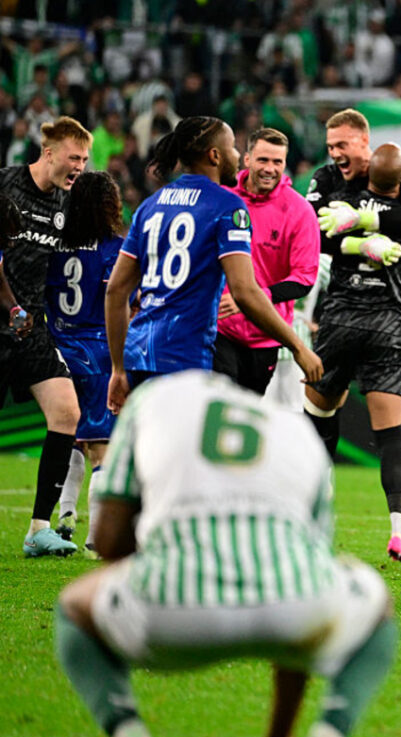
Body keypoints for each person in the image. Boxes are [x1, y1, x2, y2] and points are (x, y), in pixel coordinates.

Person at [55, 370, 396, 737]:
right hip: (295, 610)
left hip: (170, 616)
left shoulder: (150, 402)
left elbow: (108, 542)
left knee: (73, 606)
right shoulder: (295, 429)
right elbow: (311, 565)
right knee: (376, 605)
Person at [104, 116, 322, 415]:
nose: (236, 156)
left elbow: (116, 290)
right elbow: (244, 291)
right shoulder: (227, 206)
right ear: (215, 155)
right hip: (188, 354)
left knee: (153, 454)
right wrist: (298, 347)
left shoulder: (150, 205)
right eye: (233, 148)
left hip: (140, 354)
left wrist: (117, 367)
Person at [307, 142, 401, 567]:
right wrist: (363, 244)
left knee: (318, 417)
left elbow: (320, 237)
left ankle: (311, 515)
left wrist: (354, 231)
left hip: (343, 320)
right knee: (389, 434)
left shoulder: (347, 202)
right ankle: (399, 532)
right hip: (385, 324)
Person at [0, 116, 91, 557]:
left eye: (85, 160)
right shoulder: (5, 185)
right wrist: (11, 306)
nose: (79, 166)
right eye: (74, 157)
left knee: (66, 412)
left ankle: (38, 529)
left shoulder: (65, 203)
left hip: (30, 328)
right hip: (3, 320)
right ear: (49, 151)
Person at [43, 172, 124, 556]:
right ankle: (96, 537)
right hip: (97, 353)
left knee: (69, 435)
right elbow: (119, 301)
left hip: (56, 351)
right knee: (102, 448)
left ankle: (65, 518)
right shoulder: (114, 249)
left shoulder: (54, 246)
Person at [214, 128, 319, 395]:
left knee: (243, 416)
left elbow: (304, 280)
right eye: (263, 160)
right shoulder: (223, 198)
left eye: (277, 162)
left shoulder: (300, 212)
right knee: (221, 401)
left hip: (265, 337)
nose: (270, 169)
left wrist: (251, 298)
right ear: (247, 159)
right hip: (218, 328)